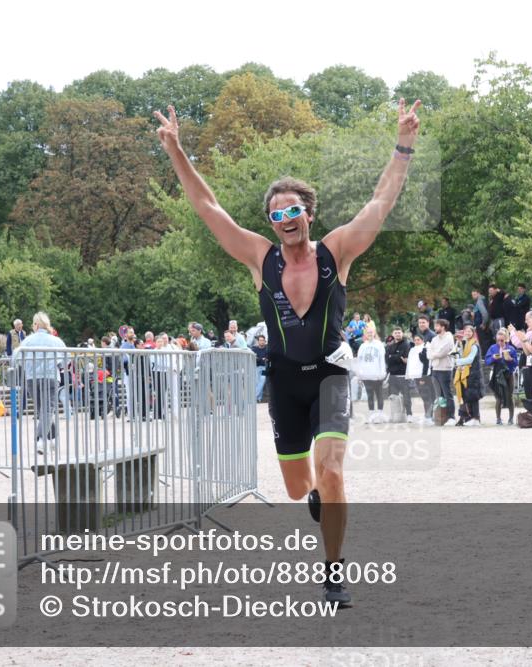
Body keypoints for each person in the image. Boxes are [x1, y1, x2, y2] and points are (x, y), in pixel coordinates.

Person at [155, 97, 421, 604]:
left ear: (309, 214)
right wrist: (176, 150)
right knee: (301, 488)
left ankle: (334, 570)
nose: (286, 219)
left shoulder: (337, 251)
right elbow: (207, 208)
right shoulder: (259, 257)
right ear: (272, 223)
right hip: (283, 380)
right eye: (278, 214)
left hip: (329, 375)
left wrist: (404, 143)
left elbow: (380, 202)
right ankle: (319, 496)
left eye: (294, 210)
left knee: (335, 470)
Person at [12, 312, 67, 453]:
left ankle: (48, 439)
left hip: (32, 378)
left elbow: (17, 359)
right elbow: (65, 361)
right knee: (47, 411)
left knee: (43, 411)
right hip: (50, 377)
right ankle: (44, 439)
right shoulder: (56, 341)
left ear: (36, 325)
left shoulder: (27, 341)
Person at [452, 324, 483, 426]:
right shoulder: (465, 344)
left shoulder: (474, 345)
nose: (467, 333)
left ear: (473, 333)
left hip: (473, 374)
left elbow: (470, 359)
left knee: (473, 397)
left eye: (470, 331)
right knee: (467, 397)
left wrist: (457, 361)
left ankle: (476, 418)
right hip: (466, 374)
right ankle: (468, 417)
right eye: (466, 332)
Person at [485, 328, 517, 425]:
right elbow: (487, 361)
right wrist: (493, 358)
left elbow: (516, 363)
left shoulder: (511, 348)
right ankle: (498, 418)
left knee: (510, 396)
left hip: (509, 374)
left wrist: (510, 359)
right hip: (497, 374)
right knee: (498, 397)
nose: (500, 342)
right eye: (498, 340)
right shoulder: (493, 348)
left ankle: (511, 418)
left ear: (506, 339)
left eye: (502, 340)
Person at [356, 328, 388, 423]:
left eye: (371, 332)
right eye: (368, 333)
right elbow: (359, 360)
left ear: (374, 333)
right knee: (370, 395)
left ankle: (379, 415)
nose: (369, 334)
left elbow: (382, 359)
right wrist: (359, 374)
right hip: (366, 375)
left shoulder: (379, 345)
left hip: (377, 374)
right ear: (365, 334)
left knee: (379, 394)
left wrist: (383, 372)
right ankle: (371, 415)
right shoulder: (362, 346)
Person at [405, 334, 435, 425]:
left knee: (427, 397)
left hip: (424, 376)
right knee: (424, 397)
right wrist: (408, 376)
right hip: (416, 376)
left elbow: (426, 364)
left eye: (418, 339)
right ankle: (428, 415)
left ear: (422, 340)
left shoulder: (425, 349)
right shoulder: (412, 350)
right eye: (415, 340)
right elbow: (410, 363)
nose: (416, 341)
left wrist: (423, 377)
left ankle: (429, 417)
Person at [384, 327, 412, 420]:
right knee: (393, 397)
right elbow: (387, 359)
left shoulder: (406, 344)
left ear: (402, 333)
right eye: (395, 333)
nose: (397, 334)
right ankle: (395, 416)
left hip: (403, 375)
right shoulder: (389, 346)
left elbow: (404, 357)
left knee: (406, 396)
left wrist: (393, 356)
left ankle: (409, 415)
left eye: (399, 332)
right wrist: (397, 357)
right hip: (392, 375)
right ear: (393, 334)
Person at [252, 335, 268, 402]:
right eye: (260, 340)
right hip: (257, 367)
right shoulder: (254, 349)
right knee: (257, 383)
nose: (261, 342)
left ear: (265, 341)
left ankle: (254, 397)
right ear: (258, 341)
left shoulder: (267, 349)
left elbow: (266, 359)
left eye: (263, 340)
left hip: (265, 368)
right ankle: (259, 398)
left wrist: (259, 359)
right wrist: (261, 359)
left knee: (262, 381)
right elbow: (254, 358)